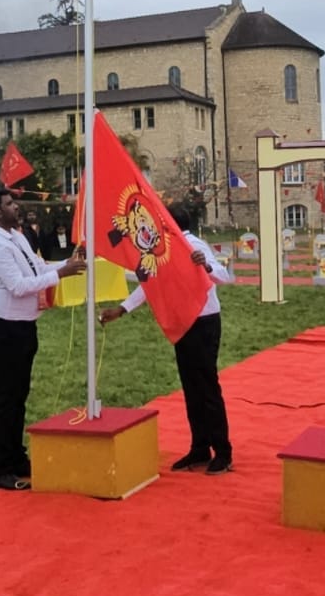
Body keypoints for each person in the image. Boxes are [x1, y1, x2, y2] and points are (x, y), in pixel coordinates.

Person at [98, 203, 234, 473]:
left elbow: (223, 276)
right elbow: (150, 283)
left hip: (203, 321)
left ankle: (223, 451)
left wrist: (205, 265)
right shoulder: (160, 250)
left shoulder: (193, 244)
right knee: (191, 386)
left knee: (207, 386)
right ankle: (199, 448)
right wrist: (122, 309)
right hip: (182, 322)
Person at [0, 185, 85, 490]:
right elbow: (19, 286)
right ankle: (0, 468)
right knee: (6, 398)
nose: (16, 207)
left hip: (23, 325)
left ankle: (16, 457)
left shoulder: (17, 236)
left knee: (19, 395)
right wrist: (61, 275)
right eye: (10, 203)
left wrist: (67, 263)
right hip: (4, 325)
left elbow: (37, 267)